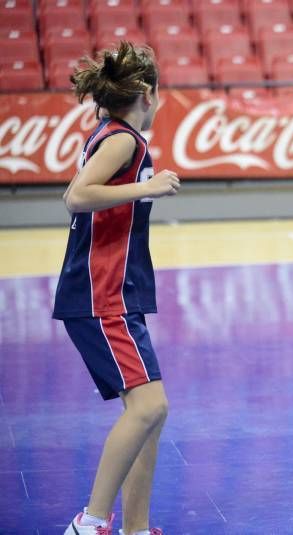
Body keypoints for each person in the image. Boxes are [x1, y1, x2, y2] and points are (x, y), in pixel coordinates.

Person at [53, 41, 180, 535]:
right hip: (101, 293)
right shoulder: (124, 139)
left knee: (150, 414)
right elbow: (77, 196)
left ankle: (136, 528)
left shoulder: (113, 134)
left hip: (116, 292)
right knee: (150, 406)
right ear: (146, 93)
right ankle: (91, 522)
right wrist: (146, 187)